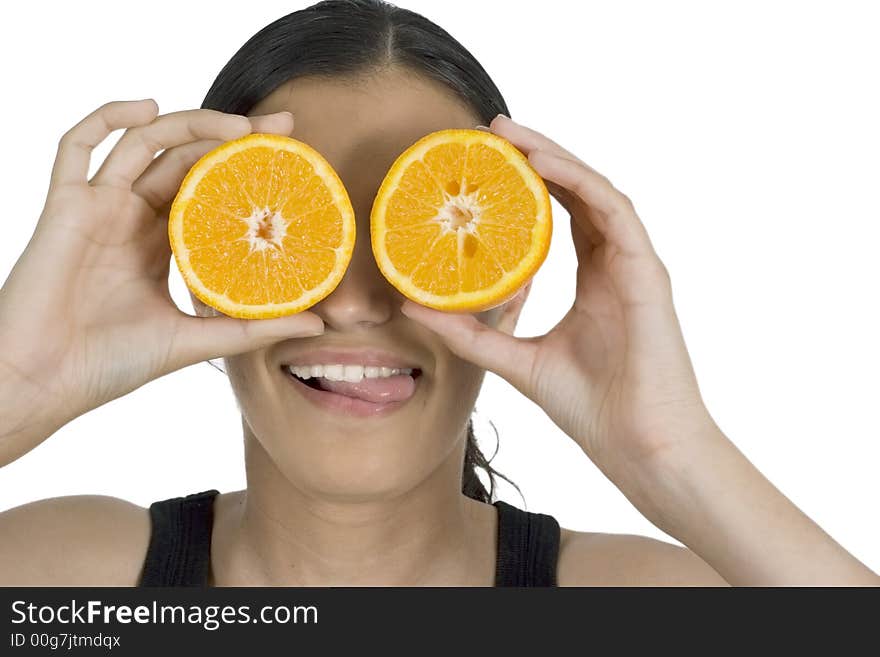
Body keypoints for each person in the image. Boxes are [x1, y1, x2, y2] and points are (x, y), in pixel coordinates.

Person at [0, 0, 877, 587]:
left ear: (508, 277)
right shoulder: (70, 582)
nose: (353, 302)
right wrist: (17, 389)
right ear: (208, 262)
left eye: (416, 236)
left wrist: (671, 455)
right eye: (296, 232)